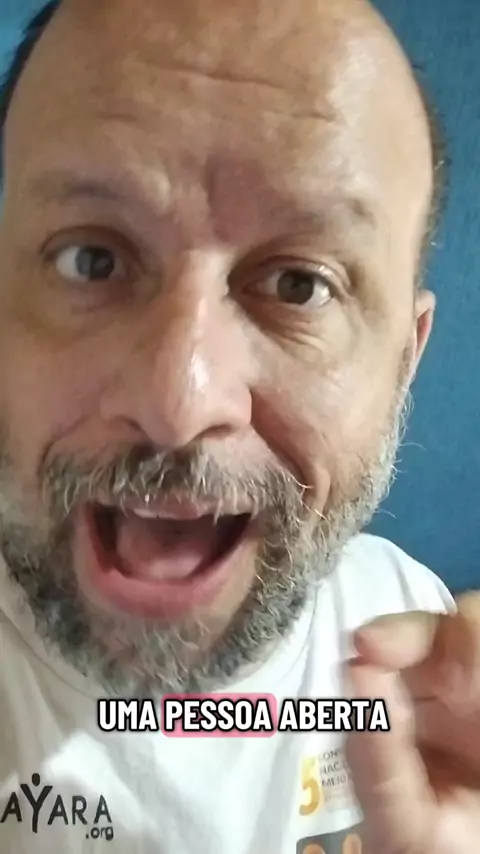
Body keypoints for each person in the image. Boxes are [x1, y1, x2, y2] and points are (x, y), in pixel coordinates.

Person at [0, 0, 478, 852]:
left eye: (300, 286)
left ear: (404, 360)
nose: (178, 407)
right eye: (91, 260)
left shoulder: (423, 657)